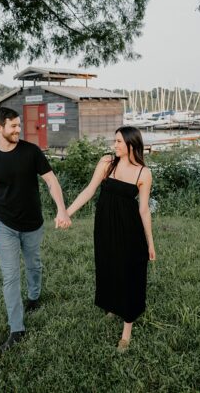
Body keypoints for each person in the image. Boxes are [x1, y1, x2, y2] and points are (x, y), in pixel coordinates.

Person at [0, 107, 71, 353]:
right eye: (13, 126)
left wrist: (61, 210)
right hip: (4, 225)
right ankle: (16, 329)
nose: (18, 130)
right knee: (10, 277)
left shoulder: (31, 152)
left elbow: (51, 181)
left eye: (19, 126)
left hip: (33, 223)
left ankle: (34, 296)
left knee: (34, 264)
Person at [65, 126, 155, 352]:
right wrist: (67, 212)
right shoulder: (107, 162)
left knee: (129, 274)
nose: (114, 145)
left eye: (118, 142)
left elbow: (144, 210)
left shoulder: (143, 173)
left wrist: (150, 243)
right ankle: (112, 306)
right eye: (114, 141)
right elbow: (89, 190)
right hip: (105, 226)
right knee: (108, 266)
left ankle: (126, 331)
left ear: (131, 144)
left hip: (129, 230)